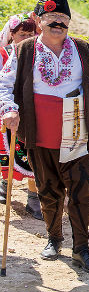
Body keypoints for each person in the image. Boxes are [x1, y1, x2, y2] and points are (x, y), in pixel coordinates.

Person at [0, 0, 89, 273]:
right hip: (39, 133)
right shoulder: (24, 51)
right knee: (48, 189)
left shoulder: (82, 50)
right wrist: (10, 109)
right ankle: (54, 238)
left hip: (77, 130)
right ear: (39, 21)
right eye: (52, 20)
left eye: (63, 20)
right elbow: (4, 84)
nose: (58, 25)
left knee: (81, 190)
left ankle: (81, 249)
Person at [0, 13, 42, 220]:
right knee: (9, 152)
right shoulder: (4, 54)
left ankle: (33, 198)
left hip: (35, 111)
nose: (26, 38)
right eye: (21, 34)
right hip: (9, 111)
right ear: (12, 35)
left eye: (30, 34)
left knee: (33, 153)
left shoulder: (39, 53)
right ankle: (6, 183)